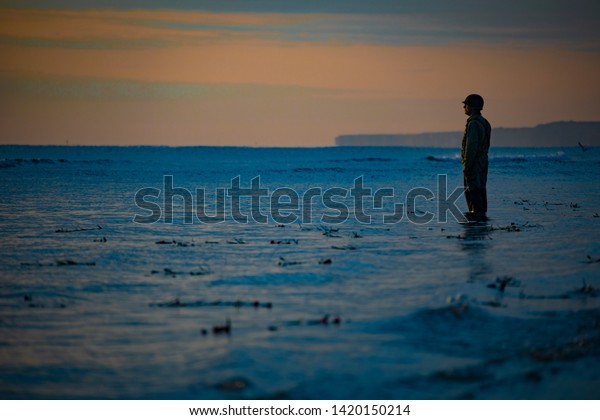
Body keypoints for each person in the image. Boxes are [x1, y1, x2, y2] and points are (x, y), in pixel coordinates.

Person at [461, 94, 491, 218]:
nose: (464, 107)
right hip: (483, 162)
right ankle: (482, 218)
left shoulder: (473, 124)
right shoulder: (485, 122)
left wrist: (467, 165)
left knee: (473, 191)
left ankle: (476, 219)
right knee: (481, 190)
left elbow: (471, 146)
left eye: (466, 105)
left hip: (474, 163)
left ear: (471, 107)